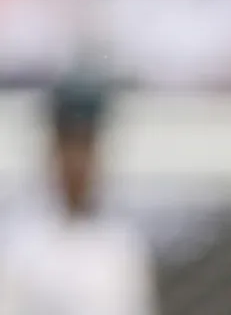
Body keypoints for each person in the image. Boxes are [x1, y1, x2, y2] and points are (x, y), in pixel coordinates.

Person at [0, 75, 159, 315]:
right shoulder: (19, 243)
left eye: (85, 147)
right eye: (68, 146)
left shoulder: (121, 245)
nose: (77, 164)